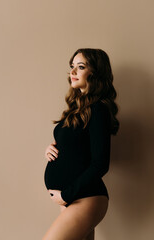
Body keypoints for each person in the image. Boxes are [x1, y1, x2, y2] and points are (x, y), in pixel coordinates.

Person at [43, 48, 119, 240]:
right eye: (72, 67)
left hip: (85, 198)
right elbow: (76, 147)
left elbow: (101, 163)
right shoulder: (78, 109)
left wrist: (66, 196)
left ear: (95, 73)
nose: (73, 72)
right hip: (72, 199)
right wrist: (51, 148)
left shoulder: (98, 109)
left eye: (81, 66)